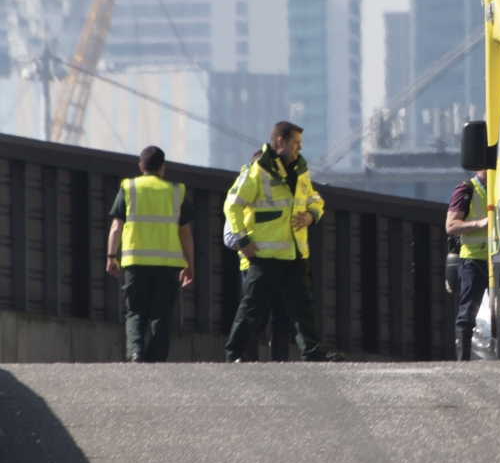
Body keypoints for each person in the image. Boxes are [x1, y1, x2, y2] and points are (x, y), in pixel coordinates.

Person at [223, 121, 342, 362]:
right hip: (264, 255)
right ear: (281, 142)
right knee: (252, 308)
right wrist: (243, 240)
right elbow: (233, 204)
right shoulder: (258, 170)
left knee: (303, 306)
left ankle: (312, 351)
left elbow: (315, 200)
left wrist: (310, 216)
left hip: (294, 254)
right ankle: (234, 352)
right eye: (296, 142)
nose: (300, 147)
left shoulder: (300, 170)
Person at [106, 146, 195, 363]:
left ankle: (136, 352)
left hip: (135, 262)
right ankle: (156, 361)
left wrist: (111, 257)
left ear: (140, 166)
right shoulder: (176, 191)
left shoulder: (129, 188)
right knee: (160, 316)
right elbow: (185, 233)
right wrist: (190, 264)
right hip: (167, 265)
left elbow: (116, 227)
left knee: (135, 312)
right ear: (162, 168)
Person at [223, 150, 294, 361]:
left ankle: (279, 362)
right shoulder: (242, 198)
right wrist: (246, 245)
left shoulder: (284, 191)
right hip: (254, 266)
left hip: (283, 263)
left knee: (282, 316)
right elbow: (229, 236)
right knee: (255, 317)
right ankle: (248, 361)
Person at [446, 169, 489, 361]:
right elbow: (451, 226)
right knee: (468, 311)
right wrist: (479, 224)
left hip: (498, 258)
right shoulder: (466, 189)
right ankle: (463, 363)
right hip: (473, 260)